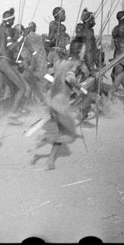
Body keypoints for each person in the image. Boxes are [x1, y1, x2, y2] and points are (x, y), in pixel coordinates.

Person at [43, 38, 89, 170]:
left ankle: (50, 162)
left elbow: (50, 74)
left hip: (50, 99)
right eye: (84, 50)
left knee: (62, 132)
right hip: (60, 103)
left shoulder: (61, 62)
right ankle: (48, 147)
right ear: (80, 51)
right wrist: (81, 89)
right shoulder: (75, 63)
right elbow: (70, 78)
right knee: (69, 136)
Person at [0, 8, 31, 126]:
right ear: (8, 21)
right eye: (12, 20)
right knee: (22, 88)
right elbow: (11, 47)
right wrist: (23, 36)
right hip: (4, 62)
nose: (13, 22)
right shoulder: (7, 30)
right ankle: (13, 116)